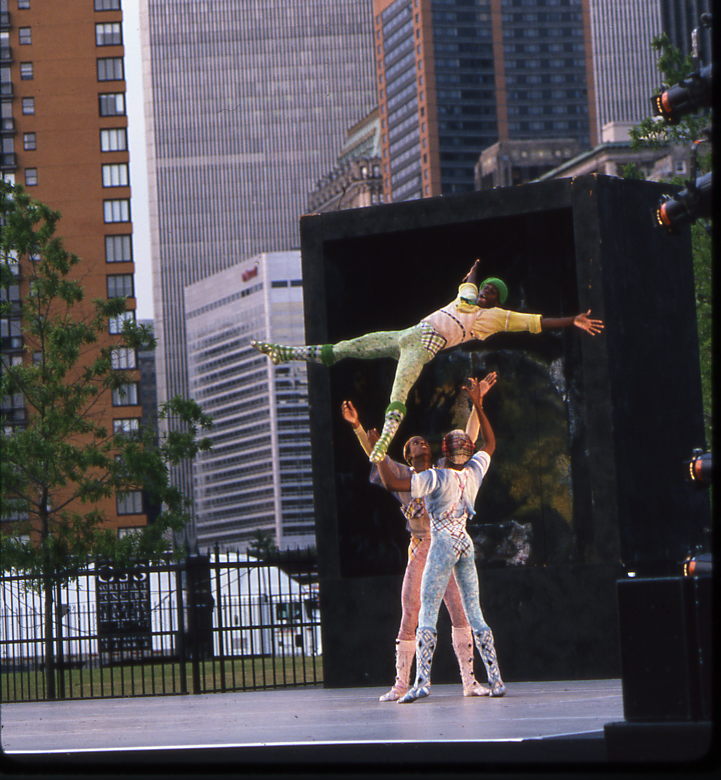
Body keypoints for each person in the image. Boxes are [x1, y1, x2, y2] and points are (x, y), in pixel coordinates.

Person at [251, 258, 603, 463]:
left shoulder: (497, 319)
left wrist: (571, 320)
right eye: (486, 289)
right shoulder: (466, 297)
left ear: (498, 300)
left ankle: (385, 442)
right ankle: (289, 353)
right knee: (347, 347)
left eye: (492, 293)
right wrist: (475, 270)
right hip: (406, 334)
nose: (485, 292)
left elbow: (536, 322)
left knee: (399, 391)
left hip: (423, 347)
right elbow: (468, 282)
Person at [341, 382, 498, 700]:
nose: (420, 443)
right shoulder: (404, 477)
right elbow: (379, 460)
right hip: (422, 548)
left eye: (423, 441)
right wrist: (360, 429)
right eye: (414, 442)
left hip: (447, 545)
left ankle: (469, 681)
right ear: (407, 454)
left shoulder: (443, 472)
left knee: (460, 612)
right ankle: (401, 683)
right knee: (410, 612)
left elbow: (467, 444)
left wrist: (475, 405)